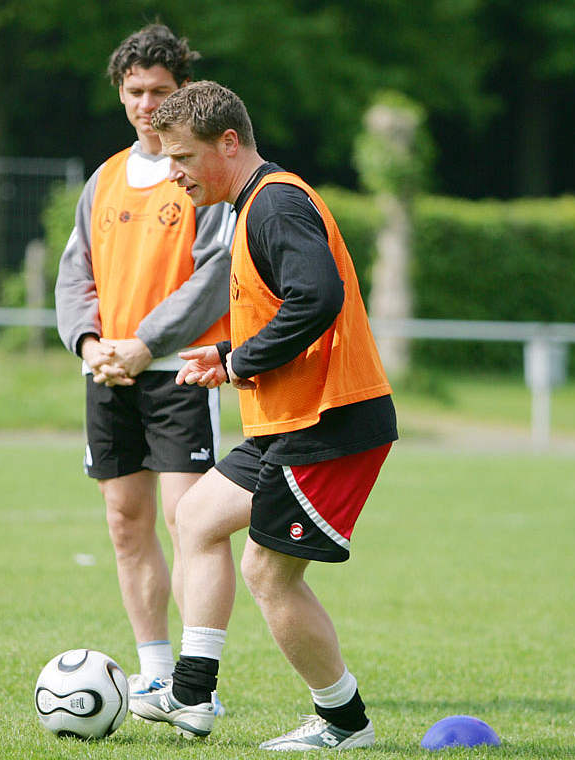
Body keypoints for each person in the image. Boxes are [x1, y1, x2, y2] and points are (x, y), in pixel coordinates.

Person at [128, 81, 397, 751]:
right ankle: (192, 693)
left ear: (228, 142)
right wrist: (227, 353)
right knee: (193, 517)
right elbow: (291, 305)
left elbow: (317, 298)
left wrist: (239, 361)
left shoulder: (274, 204)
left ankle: (344, 723)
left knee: (267, 574)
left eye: (183, 158)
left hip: (330, 422)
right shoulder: (253, 206)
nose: (175, 175)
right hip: (291, 420)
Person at [53, 23, 231, 700]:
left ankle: (196, 682)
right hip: (110, 374)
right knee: (126, 523)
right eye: (135, 90)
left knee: (191, 525)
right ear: (120, 94)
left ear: (184, 90)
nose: (147, 102)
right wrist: (91, 343)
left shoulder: (203, 175)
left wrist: (145, 342)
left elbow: (213, 274)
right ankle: (153, 668)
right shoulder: (103, 180)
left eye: (161, 90)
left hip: (179, 372)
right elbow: (76, 276)